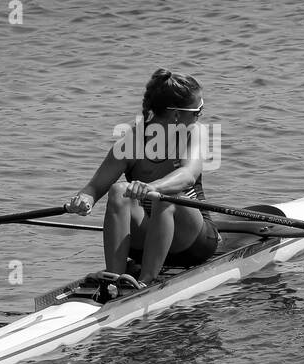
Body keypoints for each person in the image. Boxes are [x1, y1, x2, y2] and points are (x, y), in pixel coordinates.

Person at [66, 69, 220, 298]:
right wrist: (83, 200)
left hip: (194, 243)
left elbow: (188, 175)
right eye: (198, 111)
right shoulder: (132, 140)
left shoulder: (195, 132)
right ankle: (115, 279)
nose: (200, 115)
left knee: (168, 197)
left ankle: (146, 282)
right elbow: (95, 187)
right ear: (176, 115)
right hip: (147, 242)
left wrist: (154, 187)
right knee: (118, 191)